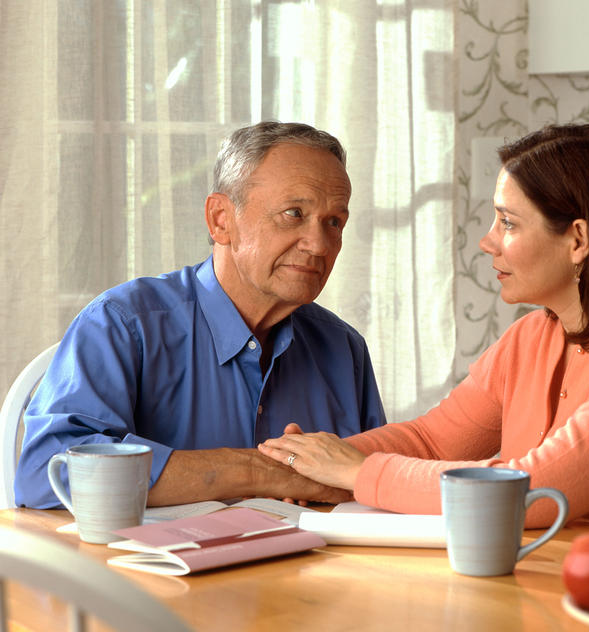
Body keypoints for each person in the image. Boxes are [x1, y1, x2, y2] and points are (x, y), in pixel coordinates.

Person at [259, 123, 589, 533]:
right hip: (552, 580)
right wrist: (315, 463)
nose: (488, 242)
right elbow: (432, 441)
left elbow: (532, 492)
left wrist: (356, 471)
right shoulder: (532, 337)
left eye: (508, 222)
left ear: (578, 240)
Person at [16, 121, 386, 509]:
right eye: (294, 213)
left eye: (334, 222)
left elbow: (377, 484)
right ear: (221, 220)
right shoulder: (121, 324)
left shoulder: (344, 348)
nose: (319, 244)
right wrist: (258, 472)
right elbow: (46, 474)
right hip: (154, 570)